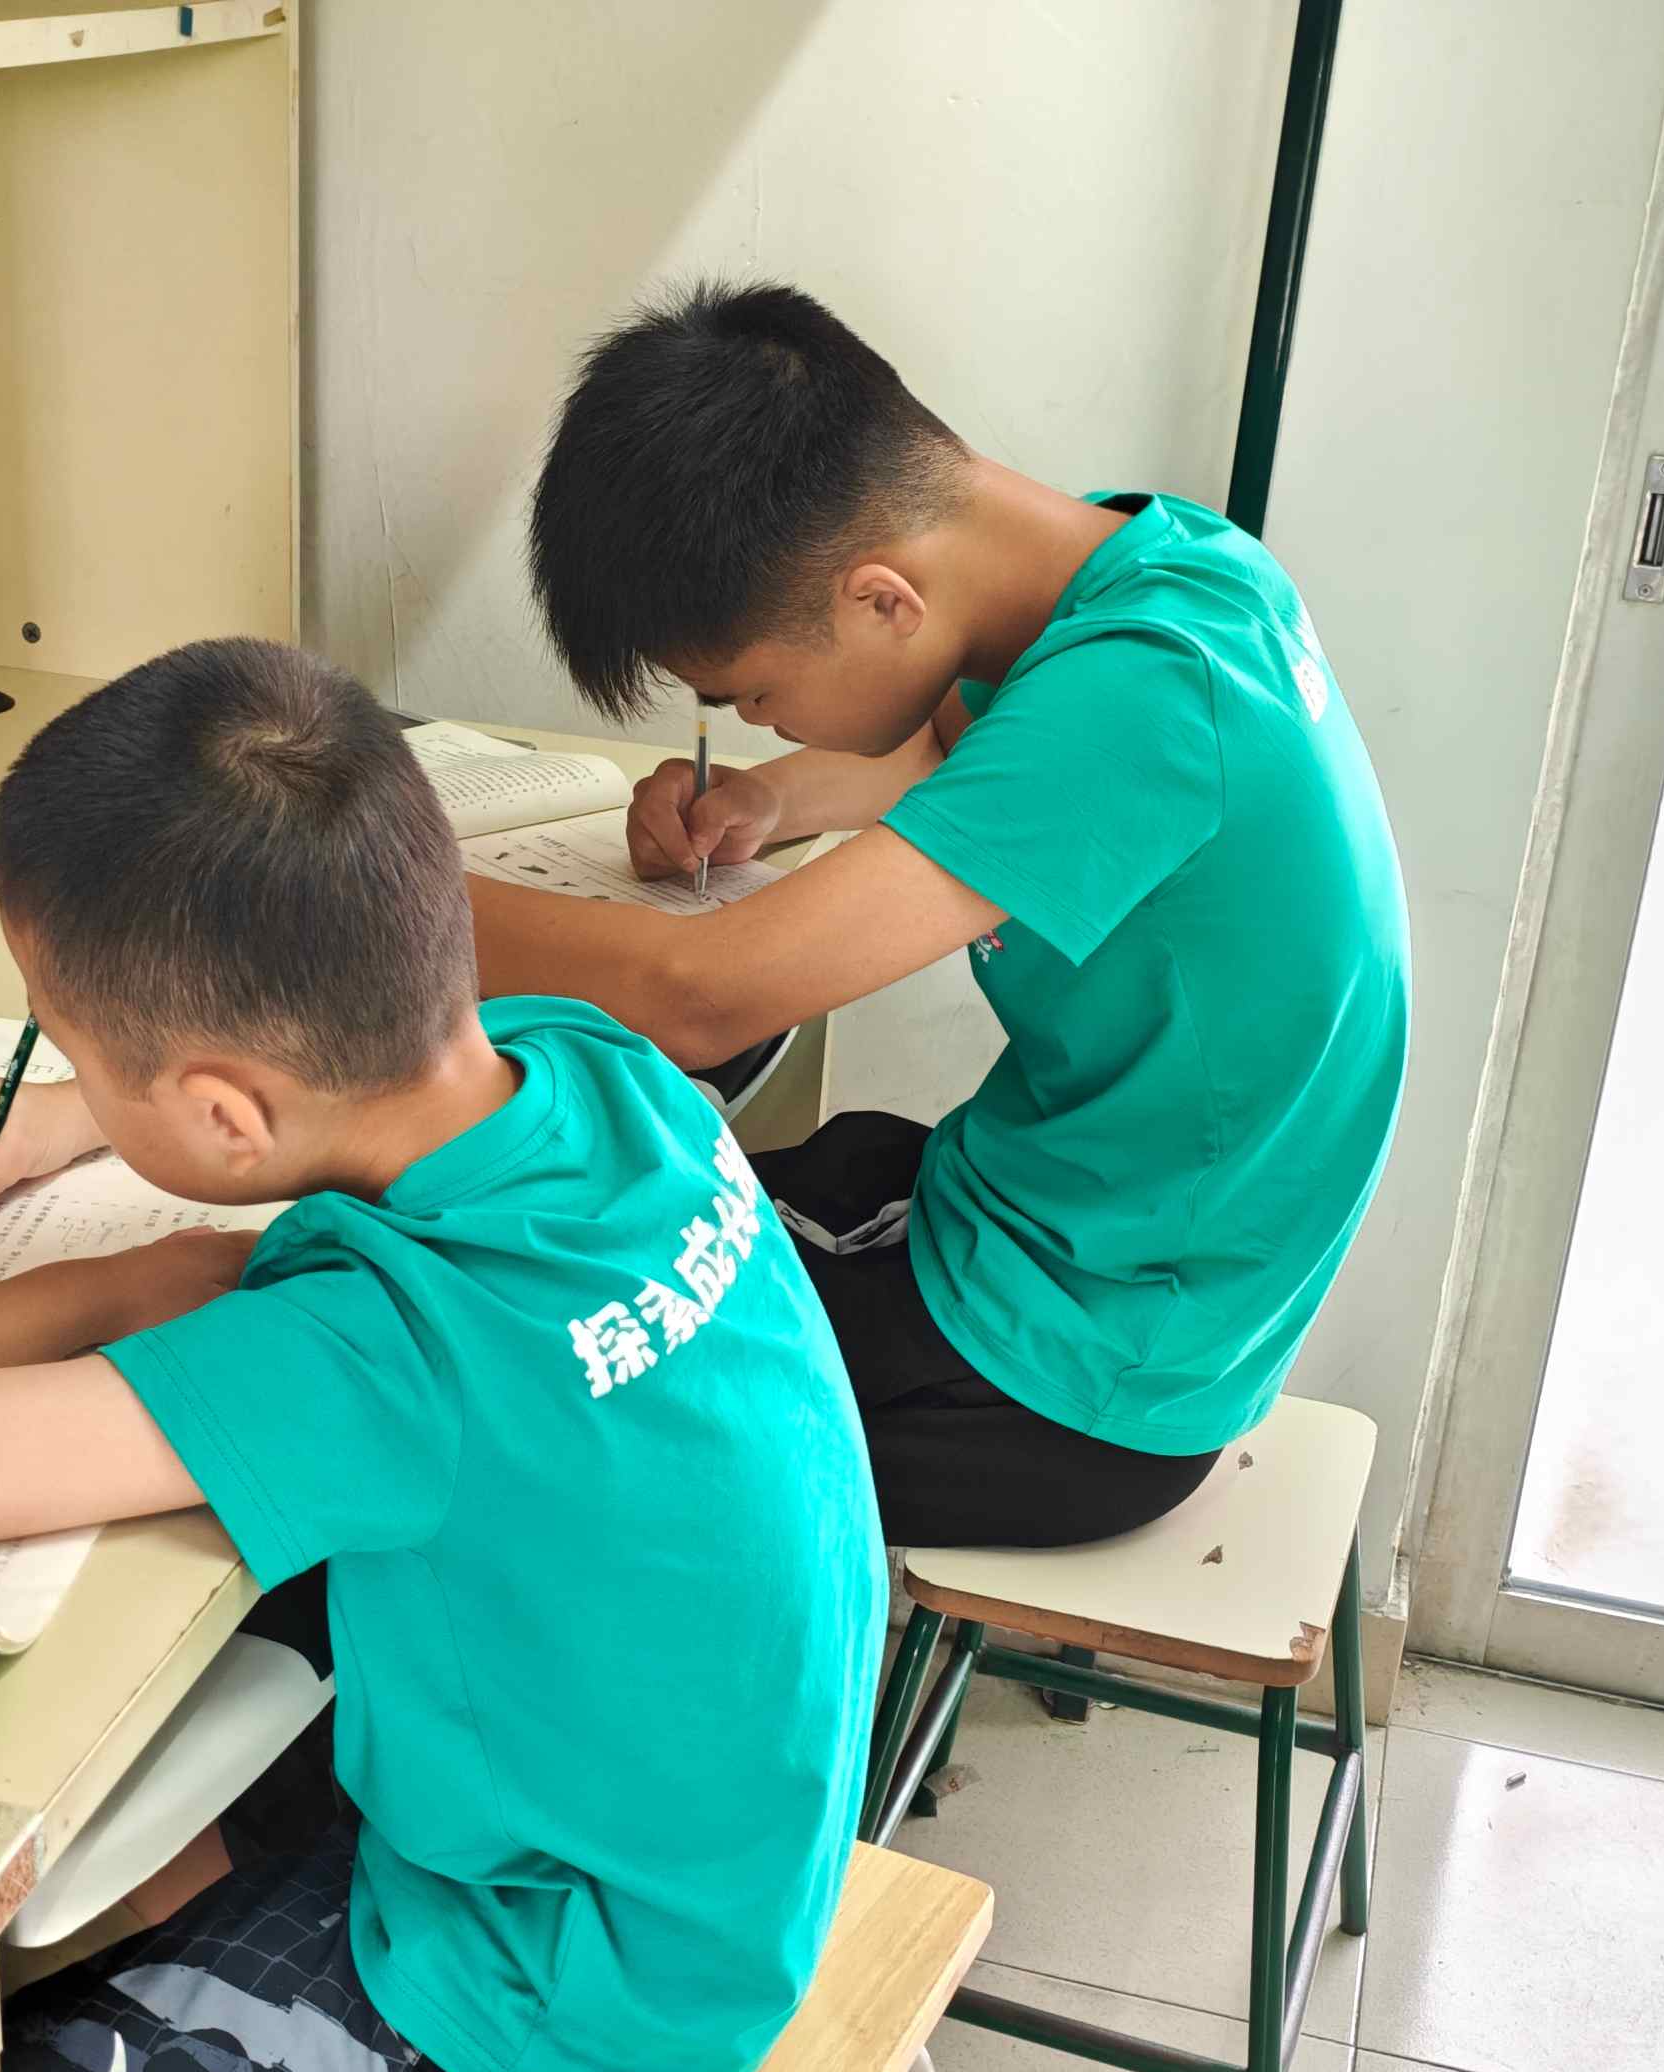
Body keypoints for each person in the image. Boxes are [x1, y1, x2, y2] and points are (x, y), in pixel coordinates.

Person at [0, 636, 884, 2072]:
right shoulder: (596, 1074)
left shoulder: (378, 1352)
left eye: (65, 1041)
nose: (57, 1069)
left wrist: (140, 1277)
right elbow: (309, 1150)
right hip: (704, 1855)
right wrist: (94, 1112)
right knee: (105, 1858)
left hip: (562, 2008)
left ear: (226, 1111)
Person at [469, 280, 1410, 1554]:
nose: (755, 722)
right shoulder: (1167, 572)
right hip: (1086, 1256)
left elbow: (701, 996)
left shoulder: (1144, 701)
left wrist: (373, 890)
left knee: (497, 1373)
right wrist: (770, 797)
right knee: (564, 1241)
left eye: (749, 696)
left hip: (1067, 1381)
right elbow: (970, 755)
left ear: (881, 602)